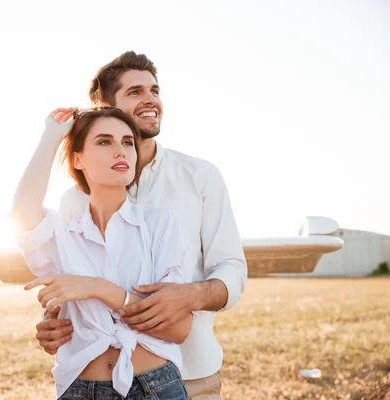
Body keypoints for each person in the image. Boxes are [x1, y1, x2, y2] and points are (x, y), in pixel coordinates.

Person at [34, 51, 248, 400]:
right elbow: (66, 282)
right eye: (135, 92)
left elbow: (233, 269)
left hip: (192, 376)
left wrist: (188, 296)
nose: (151, 99)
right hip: (94, 383)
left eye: (154, 90)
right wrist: (50, 323)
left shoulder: (200, 176)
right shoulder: (73, 202)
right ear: (107, 107)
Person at [11, 107, 195, 399]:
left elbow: (178, 329)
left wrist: (97, 288)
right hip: (79, 389)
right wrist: (51, 136)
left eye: (127, 142)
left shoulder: (161, 223)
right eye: (105, 141)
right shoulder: (62, 235)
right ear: (78, 159)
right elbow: (21, 213)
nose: (121, 151)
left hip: (155, 387)